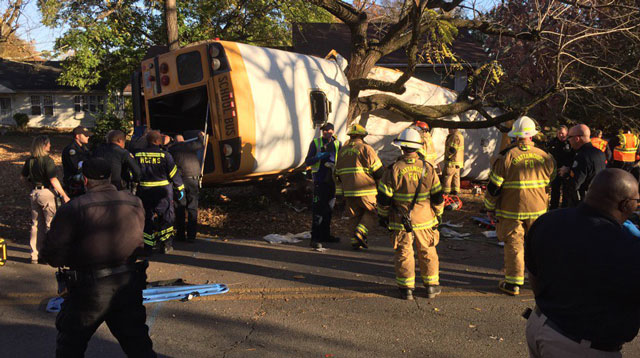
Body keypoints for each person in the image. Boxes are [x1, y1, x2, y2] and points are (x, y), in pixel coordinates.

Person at [39, 158, 156, 358]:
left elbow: (52, 252)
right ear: (110, 176)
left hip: (88, 288)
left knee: (70, 347)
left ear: (85, 180)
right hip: (127, 282)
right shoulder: (135, 202)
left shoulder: (74, 208)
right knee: (139, 347)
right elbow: (146, 241)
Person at [525, 169, 640, 357]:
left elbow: (534, 275)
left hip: (540, 324)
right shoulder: (628, 248)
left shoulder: (548, 221)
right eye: (636, 201)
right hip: (582, 346)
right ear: (625, 204)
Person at [484, 116, 555, 296]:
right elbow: (551, 180)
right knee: (537, 244)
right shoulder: (545, 156)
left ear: (515, 136)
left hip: (511, 210)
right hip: (538, 210)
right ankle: (541, 280)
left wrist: (489, 207)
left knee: (514, 244)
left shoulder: (507, 157)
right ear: (532, 135)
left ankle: (513, 283)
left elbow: (494, 187)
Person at [377, 128, 445, 300]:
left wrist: (383, 216)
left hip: (400, 220)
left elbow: (384, 199)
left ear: (402, 148)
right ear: (417, 148)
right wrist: (438, 215)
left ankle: (406, 289)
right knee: (427, 251)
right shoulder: (428, 168)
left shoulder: (393, 170)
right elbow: (437, 197)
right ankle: (431, 286)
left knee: (404, 253)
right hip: (425, 219)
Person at [20, 135, 70, 264]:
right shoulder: (48, 161)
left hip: (35, 193)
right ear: (44, 146)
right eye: (48, 144)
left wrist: (30, 189)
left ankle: (34, 254)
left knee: (36, 224)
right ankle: (49, 254)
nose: (50, 146)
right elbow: (53, 179)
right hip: (46, 192)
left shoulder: (30, 160)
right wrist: (64, 194)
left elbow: (23, 177)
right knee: (49, 224)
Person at [335, 124, 383, 250]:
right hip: (366, 190)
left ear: (350, 136)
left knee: (354, 215)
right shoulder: (366, 149)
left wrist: (339, 193)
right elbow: (378, 171)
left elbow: (337, 174)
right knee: (371, 212)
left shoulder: (342, 151)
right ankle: (360, 233)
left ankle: (355, 241)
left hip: (349, 190)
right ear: (362, 136)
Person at [135, 130, 185, 254]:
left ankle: (148, 246)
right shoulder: (165, 155)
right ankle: (165, 245)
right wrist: (180, 188)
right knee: (166, 217)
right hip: (163, 192)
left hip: (144, 191)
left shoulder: (138, 155)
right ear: (158, 141)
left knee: (147, 218)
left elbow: (133, 173)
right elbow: (173, 173)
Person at [304, 123, 341, 249]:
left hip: (332, 180)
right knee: (318, 210)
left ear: (333, 131)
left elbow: (340, 160)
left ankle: (326, 235)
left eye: (329, 130)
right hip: (319, 180)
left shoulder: (337, 143)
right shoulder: (315, 143)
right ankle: (315, 238)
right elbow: (308, 161)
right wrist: (318, 157)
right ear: (322, 132)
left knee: (329, 209)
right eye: (324, 130)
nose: (327, 132)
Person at [168, 131, 206, 243]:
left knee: (180, 207)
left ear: (174, 141)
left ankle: (180, 235)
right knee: (192, 207)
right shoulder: (190, 146)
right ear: (183, 140)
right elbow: (201, 143)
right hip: (193, 178)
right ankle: (191, 236)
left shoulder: (172, 149)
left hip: (180, 180)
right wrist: (201, 135)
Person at [560, 124, 606, 207]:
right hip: (598, 198)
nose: (568, 141)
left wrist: (566, 173)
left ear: (577, 138)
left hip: (584, 202)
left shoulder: (582, 156)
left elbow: (574, 184)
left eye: (569, 137)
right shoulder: (600, 153)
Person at [545, 126, 573, 209]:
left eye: (563, 133)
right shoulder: (552, 142)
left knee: (566, 191)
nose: (561, 135)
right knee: (555, 191)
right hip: (555, 170)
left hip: (566, 170)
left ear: (567, 134)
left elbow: (573, 157)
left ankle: (564, 209)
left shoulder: (570, 143)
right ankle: (553, 208)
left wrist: (568, 168)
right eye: (559, 133)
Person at [62, 125, 93, 198]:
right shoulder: (71, 150)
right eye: (85, 135)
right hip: (74, 184)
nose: (88, 137)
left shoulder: (84, 148)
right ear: (77, 136)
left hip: (82, 183)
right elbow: (76, 168)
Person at [442, 128, 464, 195]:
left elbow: (452, 149)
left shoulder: (454, 136)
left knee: (447, 176)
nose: (448, 130)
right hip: (458, 161)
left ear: (453, 129)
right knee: (456, 177)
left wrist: (448, 157)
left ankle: (445, 191)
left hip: (452, 161)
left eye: (449, 129)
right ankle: (455, 191)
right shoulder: (460, 135)